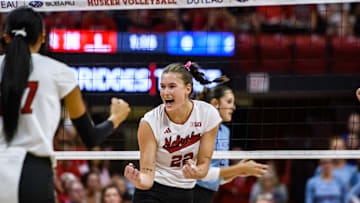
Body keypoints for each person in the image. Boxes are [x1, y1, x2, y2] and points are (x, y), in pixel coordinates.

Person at [0, 7, 130, 203]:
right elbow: (90, 137)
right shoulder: (59, 72)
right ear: (42, 37)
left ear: (6, 37)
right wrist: (115, 119)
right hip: (34, 171)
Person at [124, 61, 236, 203]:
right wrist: (138, 179)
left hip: (185, 192)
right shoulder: (149, 122)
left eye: (172, 86)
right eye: (162, 87)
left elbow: (203, 165)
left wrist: (197, 172)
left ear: (187, 89)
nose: (165, 92)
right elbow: (147, 178)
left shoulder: (208, 114)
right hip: (153, 192)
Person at [194, 85, 269, 203]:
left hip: (208, 195)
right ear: (215, 103)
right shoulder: (200, 130)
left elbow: (220, 178)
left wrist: (238, 171)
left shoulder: (225, 131)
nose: (233, 107)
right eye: (229, 102)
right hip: (191, 192)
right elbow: (200, 174)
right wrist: (239, 168)